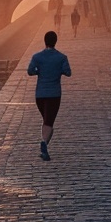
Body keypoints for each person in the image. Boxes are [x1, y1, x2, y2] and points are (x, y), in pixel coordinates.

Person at [27, 30, 72, 161]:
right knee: (48, 121)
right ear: (55, 42)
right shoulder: (62, 57)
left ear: (45, 41)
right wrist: (58, 71)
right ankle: (44, 144)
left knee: (47, 120)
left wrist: (39, 71)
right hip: (54, 94)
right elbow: (68, 72)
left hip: (40, 94)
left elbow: (30, 71)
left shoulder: (37, 57)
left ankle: (45, 148)